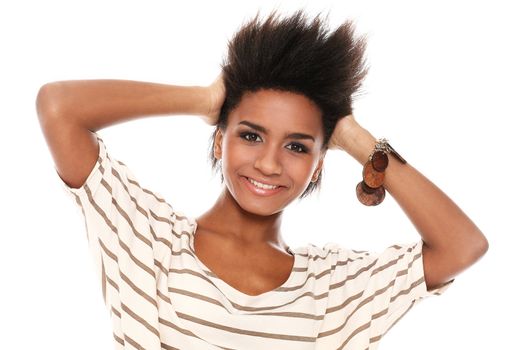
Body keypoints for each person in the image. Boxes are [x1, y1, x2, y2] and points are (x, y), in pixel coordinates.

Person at [36, 9, 488, 350]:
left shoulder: (331, 289)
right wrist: (206, 98)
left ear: (320, 163)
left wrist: (357, 140)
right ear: (220, 140)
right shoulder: (147, 240)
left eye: (297, 146)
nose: (270, 164)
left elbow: (462, 246)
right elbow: (59, 109)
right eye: (251, 135)